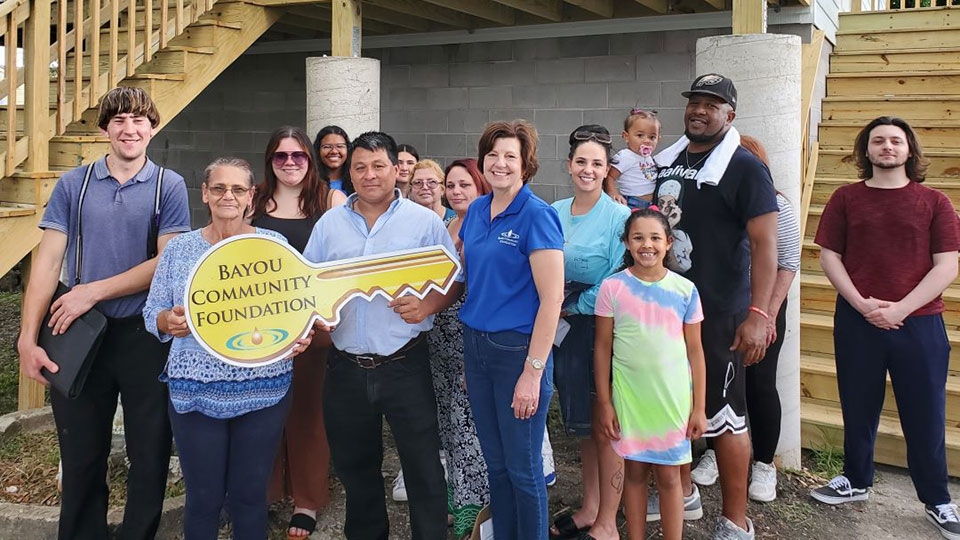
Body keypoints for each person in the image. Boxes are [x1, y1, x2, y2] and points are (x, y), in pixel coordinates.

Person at [17, 86, 190, 540]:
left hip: (143, 336)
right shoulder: (74, 184)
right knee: (81, 455)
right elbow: (49, 261)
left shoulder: (166, 186)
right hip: (78, 333)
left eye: (138, 120)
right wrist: (27, 339)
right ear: (105, 130)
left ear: (152, 128)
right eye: (119, 120)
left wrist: (91, 291)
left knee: (149, 452)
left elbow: (166, 262)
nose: (129, 129)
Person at [303, 131, 461, 540]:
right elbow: (309, 287)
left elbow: (454, 280)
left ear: (396, 169)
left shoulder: (424, 223)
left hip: (406, 364)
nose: (369, 175)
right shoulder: (329, 224)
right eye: (360, 167)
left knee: (424, 467)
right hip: (346, 369)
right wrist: (318, 319)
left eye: (378, 166)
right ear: (349, 173)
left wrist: (428, 306)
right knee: (357, 469)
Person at [144, 157, 312, 539]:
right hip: (194, 393)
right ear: (205, 193)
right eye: (219, 188)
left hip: (263, 391)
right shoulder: (180, 249)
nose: (228, 196)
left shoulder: (273, 246)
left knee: (250, 497)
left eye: (238, 189)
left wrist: (299, 335)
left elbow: (297, 308)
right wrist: (165, 322)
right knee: (202, 500)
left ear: (251, 196)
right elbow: (152, 309)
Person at [811, 116, 960, 539]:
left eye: (896, 141)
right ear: (866, 150)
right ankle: (856, 481)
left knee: (925, 414)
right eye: (878, 141)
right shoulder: (845, 198)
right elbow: (829, 256)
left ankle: (937, 500)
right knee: (858, 407)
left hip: (920, 323)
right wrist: (860, 303)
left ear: (909, 150)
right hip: (858, 321)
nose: (887, 147)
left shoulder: (935, 202)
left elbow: (946, 266)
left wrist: (901, 310)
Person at [648, 74, 778, 540]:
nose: (699, 110)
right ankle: (683, 492)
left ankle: (736, 521)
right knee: (672, 404)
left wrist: (759, 315)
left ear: (730, 115)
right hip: (666, 308)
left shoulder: (744, 166)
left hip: (720, 311)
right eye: (694, 102)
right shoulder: (670, 161)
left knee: (725, 417)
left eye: (712, 104)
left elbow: (766, 246)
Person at [459, 119, 565, 540]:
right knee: (496, 464)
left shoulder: (537, 216)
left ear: (526, 165)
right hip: (476, 348)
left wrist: (533, 373)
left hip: (517, 352)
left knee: (523, 468)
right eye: (493, 154)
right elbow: (473, 283)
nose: (500, 163)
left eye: (510, 156)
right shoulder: (476, 211)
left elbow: (552, 300)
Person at [690, 135, 800, 504]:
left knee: (759, 384)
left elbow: (787, 263)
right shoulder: (710, 196)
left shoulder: (777, 205)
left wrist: (765, 315)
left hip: (760, 306)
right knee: (720, 386)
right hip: (721, 306)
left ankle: (764, 463)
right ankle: (713, 453)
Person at [251, 127, 345, 539]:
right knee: (260, 412)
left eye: (298, 156)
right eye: (280, 156)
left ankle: (306, 500)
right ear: (269, 161)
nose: (289, 163)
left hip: (313, 327)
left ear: (311, 159)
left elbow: (343, 264)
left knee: (308, 412)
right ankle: (264, 492)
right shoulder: (252, 199)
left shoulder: (331, 200)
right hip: (257, 328)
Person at [595, 207, 707, 540]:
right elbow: (602, 348)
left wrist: (699, 406)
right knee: (634, 473)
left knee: (671, 478)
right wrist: (605, 402)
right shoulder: (612, 288)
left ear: (669, 243)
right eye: (638, 238)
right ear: (627, 243)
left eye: (656, 238)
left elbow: (696, 352)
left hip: (672, 400)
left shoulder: (685, 291)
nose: (647, 245)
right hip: (629, 397)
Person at [548, 125, 631, 540]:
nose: (588, 169)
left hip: (599, 329)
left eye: (596, 163)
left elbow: (619, 277)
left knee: (604, 422)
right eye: (581, 161)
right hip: (560, 328)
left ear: (607, 169)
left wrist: (573, 303)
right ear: (568, 165)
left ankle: (607, 523)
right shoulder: (555, 211)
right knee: (582, 423)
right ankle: (591, 505)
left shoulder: (619, 216)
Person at [426, 158, 492, 538]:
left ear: (480, 187)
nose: (456, 192)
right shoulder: (446, 224)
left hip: (470, 332)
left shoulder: (484, 226)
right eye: (451, 185)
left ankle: (475, 507)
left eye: (465, 184)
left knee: (468, 422)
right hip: (440, 335)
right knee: (448, 420)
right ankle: (455, 492)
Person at [605, 109, 661, 209]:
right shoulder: (625, 156)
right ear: (626, 136)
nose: (647, 141)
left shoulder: (649, 158)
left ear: (658, 139)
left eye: (652, 137)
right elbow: (609, 176)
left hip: (652, 204)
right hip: (633, 203)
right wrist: (613, 193)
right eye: (640, 135)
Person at [314, 125, 353, 195]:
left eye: (340, 146)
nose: (334, 151)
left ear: (348, 149)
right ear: (318, 150)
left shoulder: (356, 181)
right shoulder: (310, 182)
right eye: (327, 147)